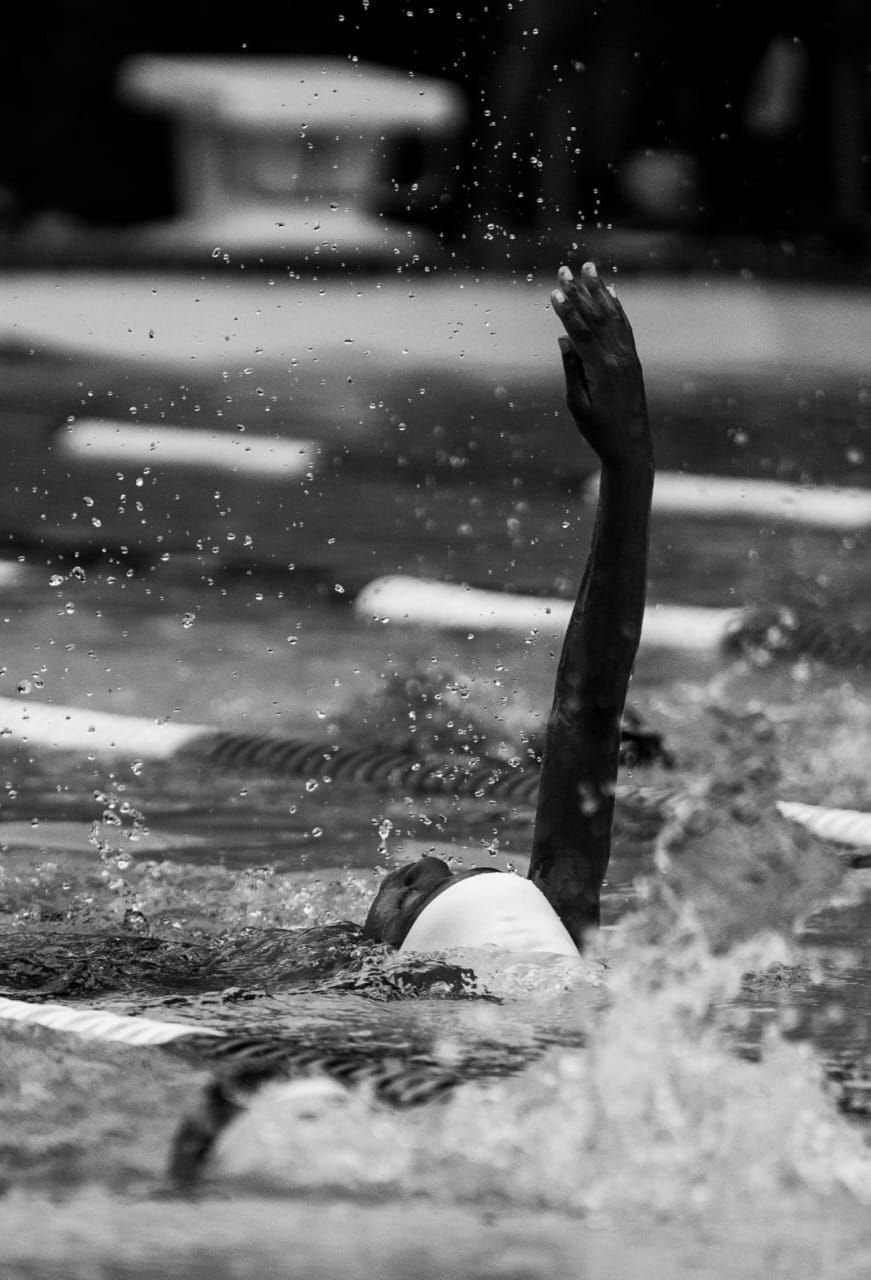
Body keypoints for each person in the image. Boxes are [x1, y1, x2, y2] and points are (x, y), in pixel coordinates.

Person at [363, 262, 654, 955]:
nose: (429, 861)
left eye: (419, 890)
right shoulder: (535, 952)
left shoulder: (313, 976)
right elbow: (588, 709)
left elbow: (587, 713)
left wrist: (629, 464)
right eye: (466, 871)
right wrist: (629, 460)